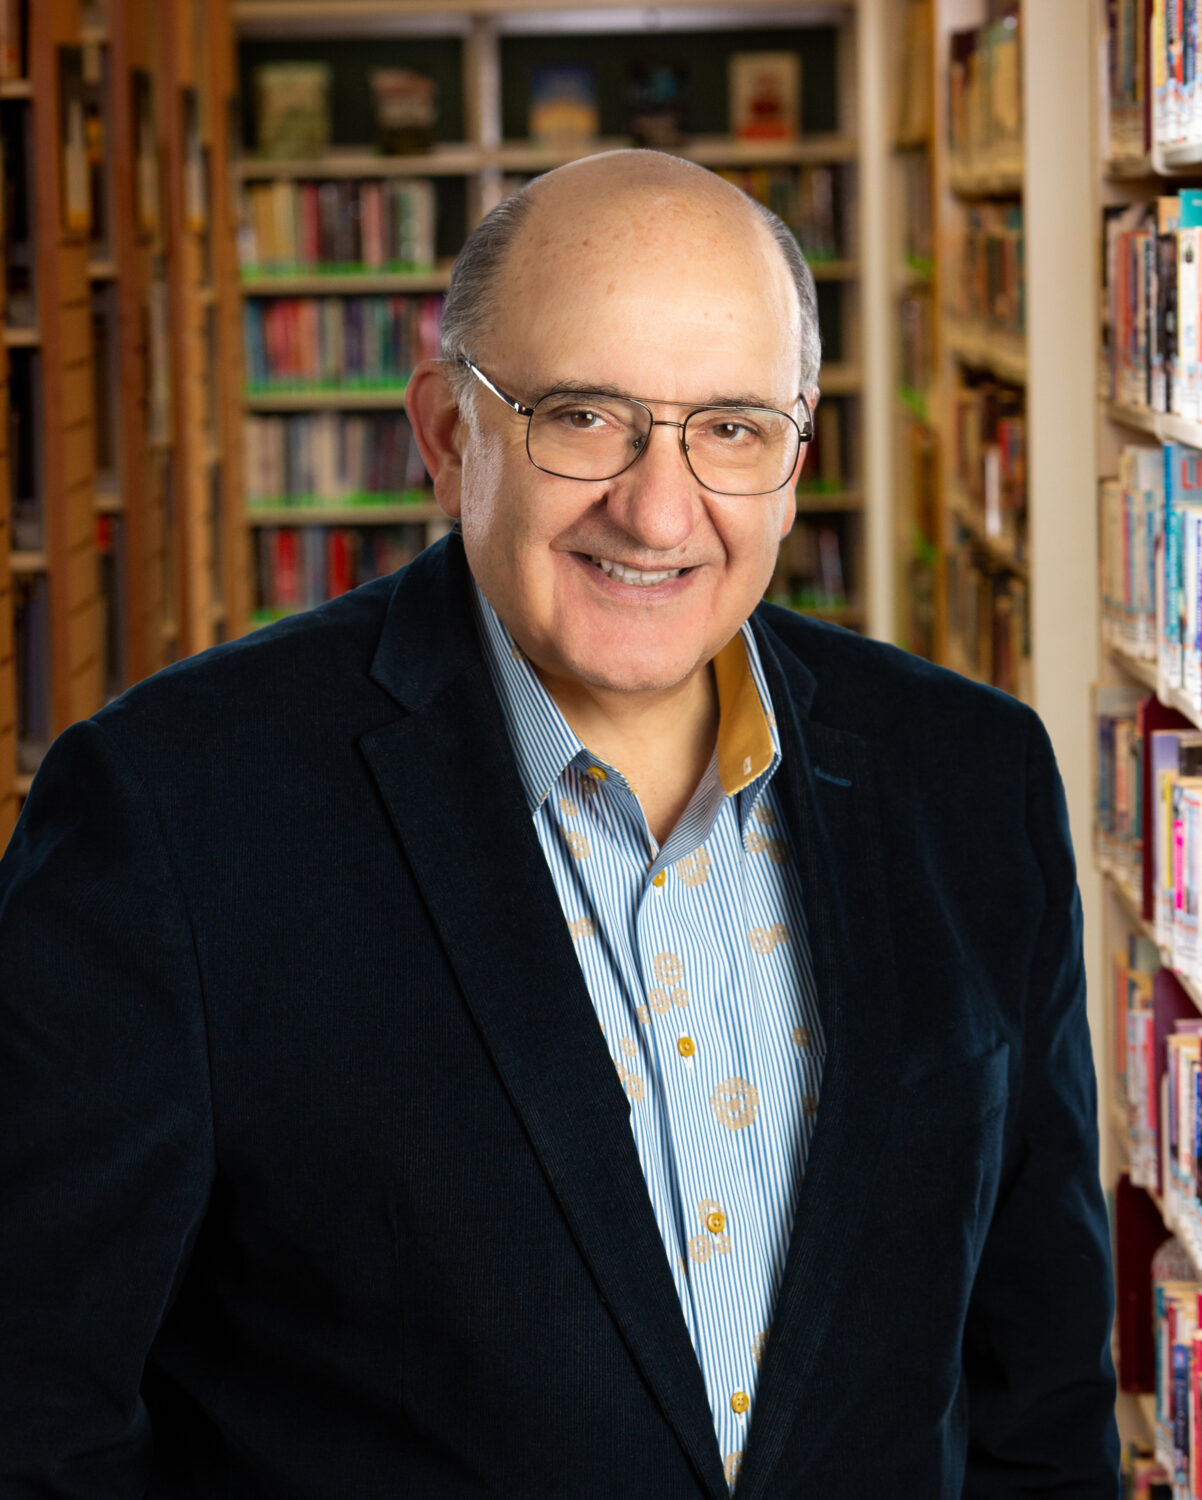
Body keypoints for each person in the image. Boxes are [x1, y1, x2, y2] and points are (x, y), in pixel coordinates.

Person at [0, 149, 1118, 1499]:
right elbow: (34, 1414)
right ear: (445, 432)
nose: (657, 508)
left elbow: (1037, 1386)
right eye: (582, 417)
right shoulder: (171, 816)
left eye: (730, 427)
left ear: (793, 455)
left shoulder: (970, 781)